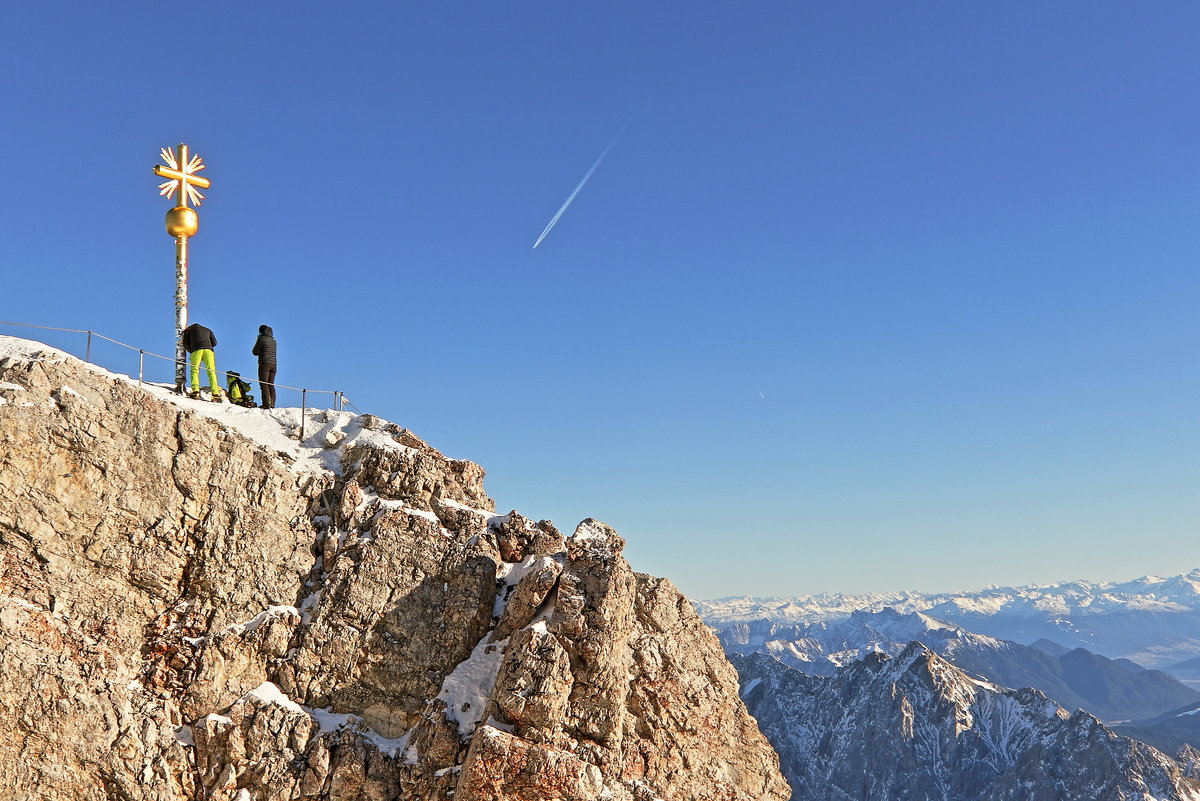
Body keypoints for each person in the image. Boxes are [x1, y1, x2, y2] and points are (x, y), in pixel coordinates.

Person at [182, 322, 223, 402]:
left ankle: (195, 391)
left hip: (196, 350)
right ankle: (215, 393)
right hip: (208, 350)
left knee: (194, 370)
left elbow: (185, 344)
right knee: (211, 371)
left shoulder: (188, 331)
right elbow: (214, 342)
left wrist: (191, 351)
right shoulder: (207, 329)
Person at [252, 324, 277, 409]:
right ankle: (272, 403)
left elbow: (254, 352)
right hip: (274, 364)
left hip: (264, 364)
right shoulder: (273, 340)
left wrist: (258, 339)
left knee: (264, 384)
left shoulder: (261, 339)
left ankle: (266, 404)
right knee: (271, 384)